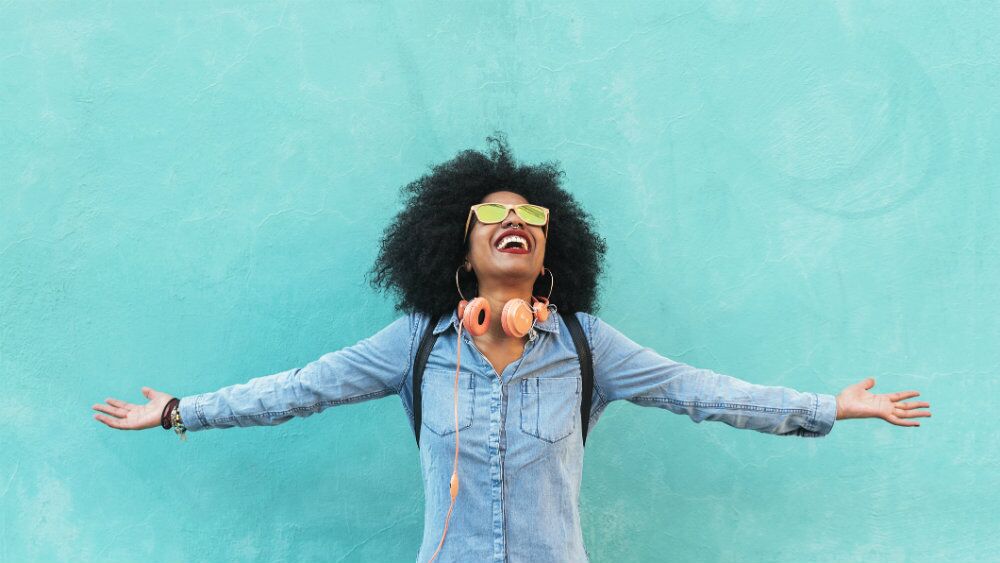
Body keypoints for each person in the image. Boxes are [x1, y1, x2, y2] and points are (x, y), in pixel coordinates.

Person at [92, 133, 932, 563]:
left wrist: (829, 406)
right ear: (457, 251)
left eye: (530, 216)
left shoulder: (587, 345)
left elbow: (698, 388)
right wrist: (176, 411)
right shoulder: (414, 346)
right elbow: (297, 389)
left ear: (549, 247)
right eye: (491, 215)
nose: (513, 223)